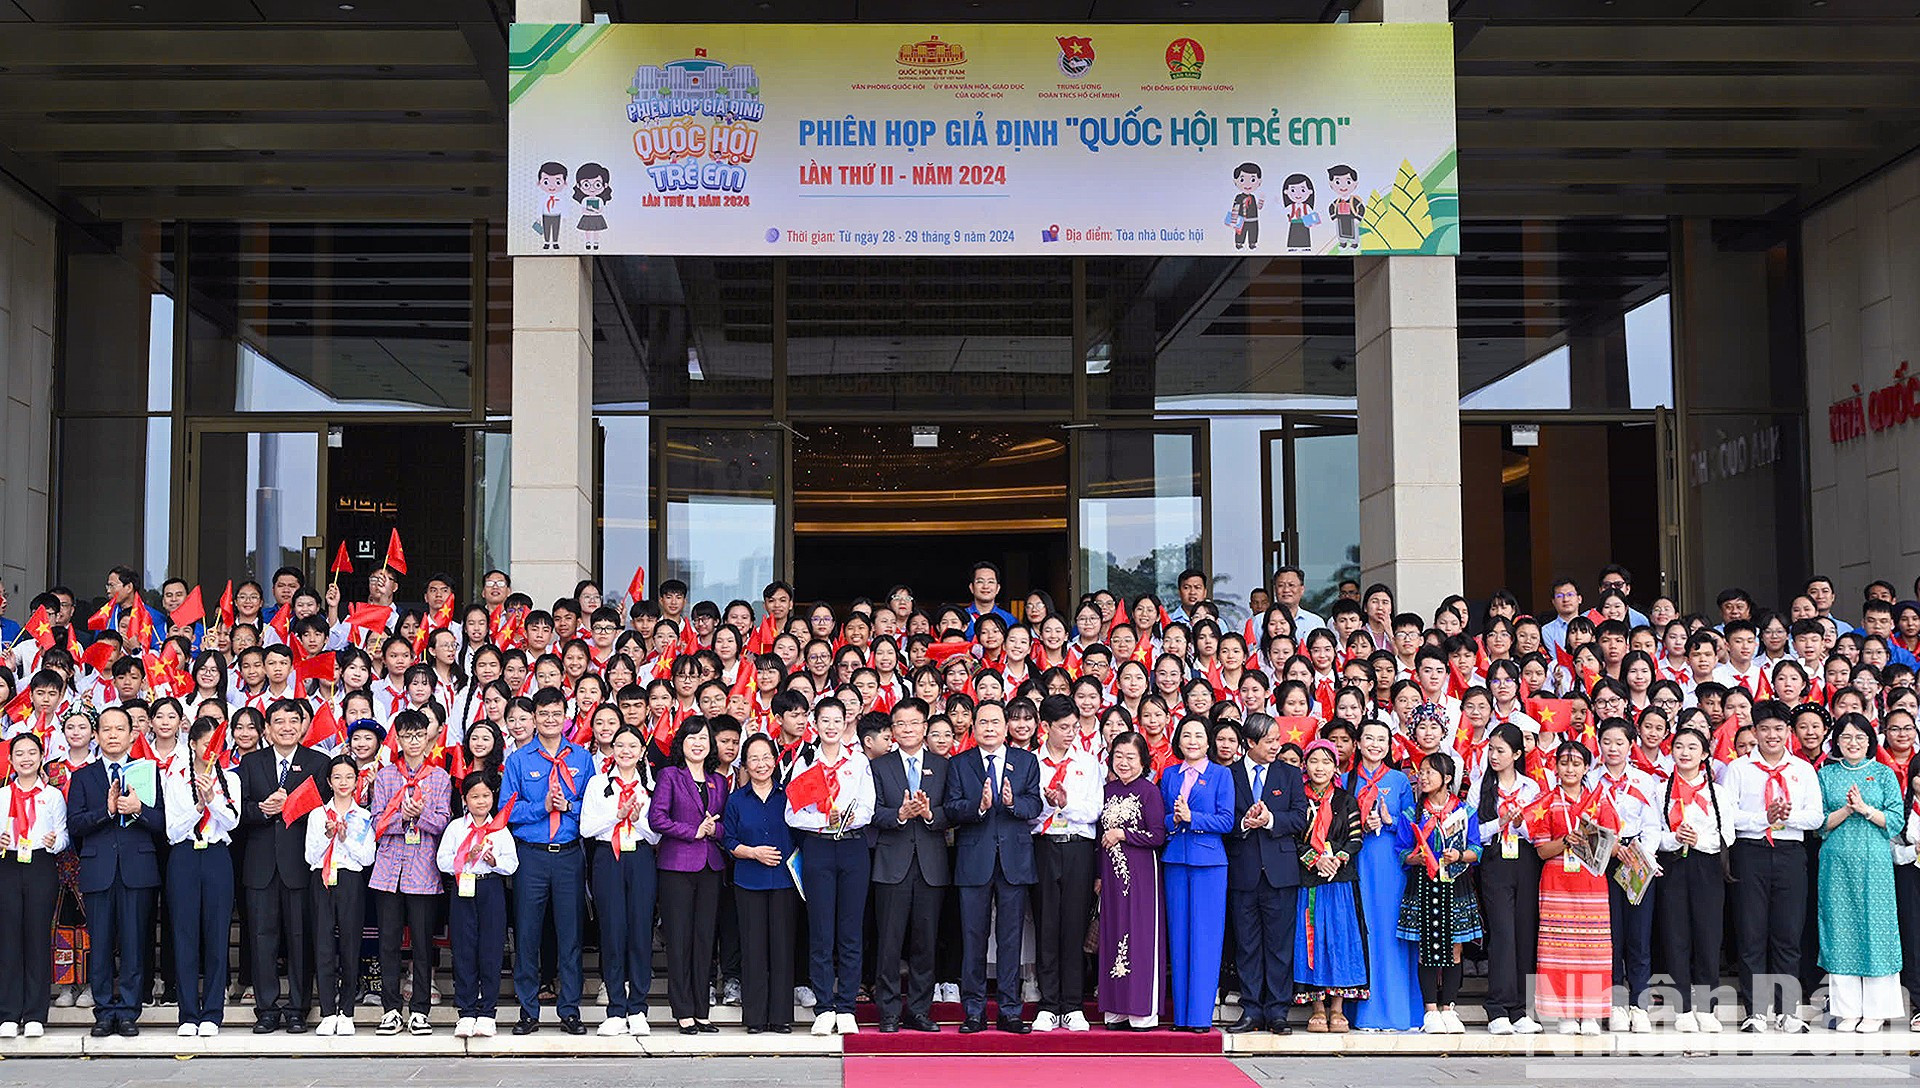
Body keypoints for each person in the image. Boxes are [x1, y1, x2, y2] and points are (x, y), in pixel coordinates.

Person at [942, 699, 1042, 1034]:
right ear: (973, 727)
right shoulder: (960, 764)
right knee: (973, 938)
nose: (989, 728)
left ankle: (1011, 1011)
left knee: (1011, 938)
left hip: (1014, 860)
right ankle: (973, 1011)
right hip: (974, 861)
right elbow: (952, 808)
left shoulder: (1025, 761)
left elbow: (1034, 804)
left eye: (995, 722)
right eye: (983, 722)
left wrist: (1013, 804)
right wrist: (979, 806)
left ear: (1006, 727)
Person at [1722, 702, 1822, 1033]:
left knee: (1788, 933)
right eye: (1764, 729)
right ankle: (1755, 1010)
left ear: (1788, 732)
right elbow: (1729, 815)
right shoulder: (1738, 769)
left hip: (1791, 853)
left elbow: (1815, 817)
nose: (1771, 735)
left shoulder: (1802, 770)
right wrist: (1762, 818)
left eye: (1778, 728)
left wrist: (1784, 816)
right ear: (1754, 732)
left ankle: (1787, 1010)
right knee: (1752, 933)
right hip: (1751, 851)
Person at [68, 705, 167, 1038]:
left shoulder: (149, 773)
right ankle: (103, 1011)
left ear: (132, 734)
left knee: (135, 944)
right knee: (100, 946)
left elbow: (163, 824)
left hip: (137, 869)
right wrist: (107, 810)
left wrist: (139, 810)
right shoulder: (84, 776)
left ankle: (128, 1011)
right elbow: (75, 826)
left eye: (119, 729)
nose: (112, 735)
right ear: (96, 735)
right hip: (99, 870)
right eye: (106, 729)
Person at [502, 685, 592, 1036]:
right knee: (527, 933)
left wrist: (567, 806)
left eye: (557, 713)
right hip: (532, 857)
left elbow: (593, 808)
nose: (550, 719)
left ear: (565, 717)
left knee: (570, 934)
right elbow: (507, 811)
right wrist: (544, 806)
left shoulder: (582, 758)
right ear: (534, 719)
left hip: (569, 856)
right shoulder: (518, 760)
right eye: (543, 714)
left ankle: (569, 1009)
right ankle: (528, 1010)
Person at [784, 700, 874, 1036]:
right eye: (825, 721)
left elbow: (868, 805)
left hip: (852, 846)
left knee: (850, 930)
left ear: (846, 722)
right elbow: (791, 813)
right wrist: (824, 819)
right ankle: (824, 1005)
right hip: (819, 847)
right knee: (821, 929)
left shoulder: (858, 761)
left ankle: (847, 1005)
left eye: (837, 720)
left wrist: (849, 818)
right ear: (815, 724)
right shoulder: (805, 761)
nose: (832, 727)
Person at [237, 697, 326, 1034]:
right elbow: (237, 812)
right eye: (279, 722)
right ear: (267, 729)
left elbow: (326, 810)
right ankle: (267, 1008)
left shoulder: (318, 763)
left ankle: (298, 1008)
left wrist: (291, 806)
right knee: (262, 938)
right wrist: (263, 809)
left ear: (302, 726)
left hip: (300, 865)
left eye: (294, 721)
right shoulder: (250, 763)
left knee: (301, 938)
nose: (287, 728)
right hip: (260, 866)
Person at [1815, 712, 1903, 1031]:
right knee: (1840, 930)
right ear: (1836, 741)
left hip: (1875, 864)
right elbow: (1818, 822)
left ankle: (1877, 1011)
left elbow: (1895, 819)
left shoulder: (1883, 773)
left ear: (1870, 742)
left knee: (1876, 929)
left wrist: (1865, 809)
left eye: (1860, 738)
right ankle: (1847, 1009)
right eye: (1847, 737)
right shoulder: (1826, 775)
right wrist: (1846, 809)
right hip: (1836, 863)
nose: (1853, 743)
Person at [367, 709, 452, 1037]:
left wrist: (422, 814)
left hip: (423, 871)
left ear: (428, 738)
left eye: (419, 735)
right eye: (407, 736)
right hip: (388, 870)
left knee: (421, 942)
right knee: (388, 942)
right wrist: (401, 817)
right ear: (398, 739)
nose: (413, 741)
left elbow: (443, 821)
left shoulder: (439, 777)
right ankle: (390, 1009)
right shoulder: (386, 776)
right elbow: (375, 822)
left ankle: (419, 1010)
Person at [1225, 711, 1309, 1035]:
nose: (1277, 745)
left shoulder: (1288, 774)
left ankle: (1277, 1011)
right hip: (1243, 870)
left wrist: (1271, 820)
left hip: (1280, 872)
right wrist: (1245, 822)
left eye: (1278, 738)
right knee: (1247, 944)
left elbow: (1299, 818)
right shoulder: (1229, 774)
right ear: (1250, 742)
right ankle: (1250, 1010)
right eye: (1270, 740)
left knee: (1279, 945)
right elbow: (1223, 819)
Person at [868, 697, 948, 1033]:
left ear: (925, 727)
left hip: (930, 863)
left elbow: (954, 811)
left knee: (924, 943)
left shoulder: (943, 766)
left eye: (914, 723)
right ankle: (887, 1011)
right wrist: (899, 814)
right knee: (889, 941)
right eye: (900, 724)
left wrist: (930, 814)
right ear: (893, 731)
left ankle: (918, 1009)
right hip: (892, 862)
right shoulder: (879, 766)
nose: (908, 729)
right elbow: (870, 814)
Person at [1526, 739, 1618, 1036]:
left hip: (1591, 881)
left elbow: (1612, 843)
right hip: (1556, 883)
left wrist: (1594, 842)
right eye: (1564, 762)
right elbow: (1540, 851)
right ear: (1554, 766)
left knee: (1592, 949)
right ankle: (1563, 1012)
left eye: (1576, 763)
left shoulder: (1600, 798)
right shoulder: (1546, 801)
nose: (1569, 768)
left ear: (1586, 767)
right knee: (1558, 949)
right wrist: (1566, 841)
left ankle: (1590, 1012)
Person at [1652, 725, 1737, 1032]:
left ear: (1703, 755)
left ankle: (1707, 1007)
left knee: (1708, 937)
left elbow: (1727, 834)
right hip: (1672, 866)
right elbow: (1653, 834)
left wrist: (1698, 839)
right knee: (1675, 937)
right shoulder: (1660, 790)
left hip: (1707, 866)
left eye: (1692, 747)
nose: (1684, 753)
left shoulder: (1718, 793)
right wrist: (1675, 838)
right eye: (1679, 747)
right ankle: (1682, 1009)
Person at [649, 715, 729, 1034]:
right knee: (679, 938)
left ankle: (701, 1010)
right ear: (682, 742)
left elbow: (726, 825)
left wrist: (714, 829)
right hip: (677, 866)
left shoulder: (719, 781)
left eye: (703, 738)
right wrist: (692, 831)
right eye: (692, 737)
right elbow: (658, 818)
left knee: (704, 939)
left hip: (710, 866)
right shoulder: (670, 775)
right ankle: (682, 1010)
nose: (698, 743)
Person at [162, 717, 240, 1037]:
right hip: (183, 856)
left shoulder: (229, 779)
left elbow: (232, 822)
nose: (211, 749)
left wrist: (212, 801)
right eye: (206, 743)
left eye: (217, 744)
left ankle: (212, 1012)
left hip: (216, 856)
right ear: (192, 743)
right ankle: (187, 1013)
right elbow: (171, 830)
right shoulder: (175, 777)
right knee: (184, 935)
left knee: (217, 933)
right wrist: (197, 807)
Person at [579, 723, 658, 1037]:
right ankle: (615, 1008)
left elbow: (656, 834)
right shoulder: (598, 784)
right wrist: (618, 813)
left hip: (639, 857)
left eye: (632, 746)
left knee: (640, 929)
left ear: (641, 753)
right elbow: (586, 828)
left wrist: (637, 820)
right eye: (620, 745)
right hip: (606, 858)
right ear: (612, 750)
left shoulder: (649, 787)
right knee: (612, 930)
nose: (626, 751)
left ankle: (637, 1007)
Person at [1028, 694, 1101, 1033]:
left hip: (1077, 849)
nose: (1071, 733)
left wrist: (1066, 804)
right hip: (1042, 846)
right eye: (1063, 727)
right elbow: (1027, 815)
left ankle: (1072, 1005)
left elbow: (1093, 812)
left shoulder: (1087, 762)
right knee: (1046, 924)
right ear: (1045, 727)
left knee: (1073, 925)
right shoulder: (1031, 762)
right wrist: (1047, 805)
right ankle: (1047, 1003)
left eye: (1074, 727)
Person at [1396, 751, 1481, 1034]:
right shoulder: (1413, 812)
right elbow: (1402, 851)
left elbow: (1476, 848)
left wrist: (1460, 855)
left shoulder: (1464, 811)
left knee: (1455, 949)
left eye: (1430, 772)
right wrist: (1415, 858)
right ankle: (1430, 1010)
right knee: (1427, 949)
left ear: (1447, 778)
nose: (1423, 777)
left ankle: (1450, 1008)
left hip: (1455, 883)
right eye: (1421, 772)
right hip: (1424, 882)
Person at [1345, 719, 1420, 1030]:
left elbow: (1416, 826)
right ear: (1359, 744)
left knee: (1391, 934)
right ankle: (1363, 1012)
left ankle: (1399, 1011)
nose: (1375, 744)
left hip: (1390, 866)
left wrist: (1389, 821)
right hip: (1357, 862)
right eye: (1369, 738)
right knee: (1363, 932)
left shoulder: (1400, 781)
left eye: (1382, 740)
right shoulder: (1347, 780)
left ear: (1390, 746)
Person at [1162, 715, 1235, 1032]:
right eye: (1186, 735)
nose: (1192, 740)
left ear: (1209, 742)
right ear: (1178, 741)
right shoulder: (1168, 775)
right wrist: (1175, 820)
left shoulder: (1221, 775)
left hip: (1209, 863)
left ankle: (1200, 1017)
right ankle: (1181, 1016)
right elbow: (1161, 818)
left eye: (1199, 735)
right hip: (1176, 859)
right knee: (1179, 938)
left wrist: (1193, 817)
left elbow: (1227, 821)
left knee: (1204, 939)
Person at [721, 732, 797, 1035]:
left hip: (783, 882)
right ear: (745, 764)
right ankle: (754, 1018)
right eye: (754, 758)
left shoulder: (788, 795)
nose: (761, 763)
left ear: (775, 761)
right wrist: (752, 853)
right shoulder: (736, 800)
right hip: (748, 881)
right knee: (753, 949)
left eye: (766, 757)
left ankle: (780, 1017)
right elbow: (728, 840)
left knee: (781, 948)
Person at [1472, 723, 1542, 1035]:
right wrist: (1499, 821)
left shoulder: (1531, 788)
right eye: (1491, 750)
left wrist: (1522, 822)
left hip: (1525, 860)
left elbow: (1539, 831)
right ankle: (1497, 1007)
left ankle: (1521, 1009)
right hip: (1495, 859)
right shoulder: (1480, 787)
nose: (1494, 756)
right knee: (1502, 932)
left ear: (1516, 753)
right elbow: (1474, 833)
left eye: (1501, 751)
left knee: (1524, 932)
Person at [1292, 739, 1365, 1032]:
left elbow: (1356, 837)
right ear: (1305, 766)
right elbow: (1293, 838)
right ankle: (1317, 1006)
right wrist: (1315, 859)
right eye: (1313, 761)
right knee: (1313, 940)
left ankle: (1338, 1007)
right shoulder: (1298, 799)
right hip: (1309, 880)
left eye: (1326, 761)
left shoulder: (1346, 800)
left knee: (1340, 939)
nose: (1319, 767)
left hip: (1340, 882)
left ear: (1336, 766)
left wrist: (1337, 858)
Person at [438, 772, 517, 1039]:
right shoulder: (456, 828)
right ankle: (466, 1012)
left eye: (486, 796)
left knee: (491, 950)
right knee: (464, 949)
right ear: (465, 800)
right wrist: (465, 856)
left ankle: (487, 1012)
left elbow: (513, 863)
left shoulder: (500, 828)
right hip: (463, 888)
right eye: (475, 796)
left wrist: (494, 861)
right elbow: (442, 861)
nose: (481, 801)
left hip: (490, 887)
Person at [1096, 731, 1167, 1029]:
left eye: (1131, 757)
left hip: (1141, 875)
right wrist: (1098, 875)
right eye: (1119, 756)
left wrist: (1123, 834)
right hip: (1111, 875)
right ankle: (1116, 1008)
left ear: (1143, 761)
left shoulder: (1149, 792)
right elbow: (1098, 838)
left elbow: (1158, 835)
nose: (1123, 763)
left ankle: (1141, 1010)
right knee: (1113, 932)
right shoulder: (1107, 790)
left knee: (1140, 935)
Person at [0, 732, 68, 1038]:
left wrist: (55, 842)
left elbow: (64, 835)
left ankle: (36, 1013)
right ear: (11, 760)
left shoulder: (52, 796)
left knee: (38, 938)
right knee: (8, 939)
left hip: (41, 864)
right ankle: (9, 1013)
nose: (26, 758)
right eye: (19, 754)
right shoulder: (2, 796)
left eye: (32, 753)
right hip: (8, 864)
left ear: (41, 757)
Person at [306, 755, 376, 1037]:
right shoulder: (318, 815)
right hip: (322, 879)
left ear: (356, 780)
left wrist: (345, 839)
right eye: (337, 777)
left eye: (349, 777)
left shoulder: (363, 816)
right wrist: (327, 836)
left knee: (350, 945)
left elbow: (367, 857)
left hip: (350, 880)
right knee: (323, 945)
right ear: (328, 781)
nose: (343, 783)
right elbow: (310, 856)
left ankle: (346, 1011)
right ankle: (326, 1011)